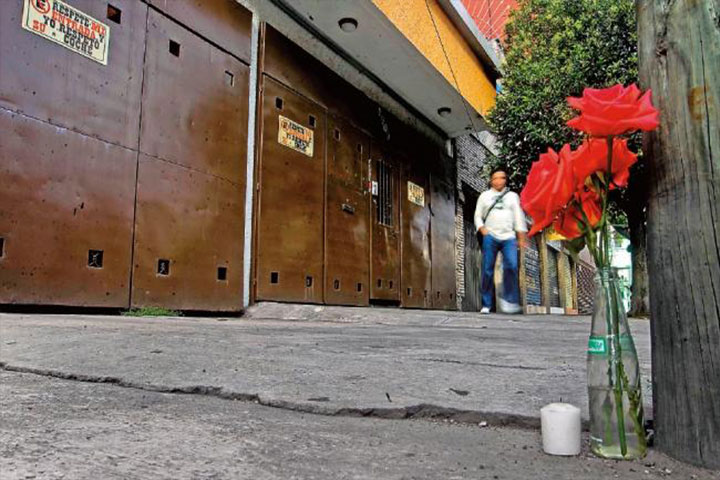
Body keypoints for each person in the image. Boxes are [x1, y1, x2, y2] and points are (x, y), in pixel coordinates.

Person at [474, 167, 527, 314]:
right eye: (495, 178)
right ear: (491, 181)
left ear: (505, 180)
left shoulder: (512, 196)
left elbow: (518, 216)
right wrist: (482, 228)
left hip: (509, 237)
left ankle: (510, 301)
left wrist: (521, 236)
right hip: (490, 236)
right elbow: (478, 215)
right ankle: (486, 304)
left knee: (511, 266)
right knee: (487, 270)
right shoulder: (484, 196)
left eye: (502, 178)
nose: (499, 181)